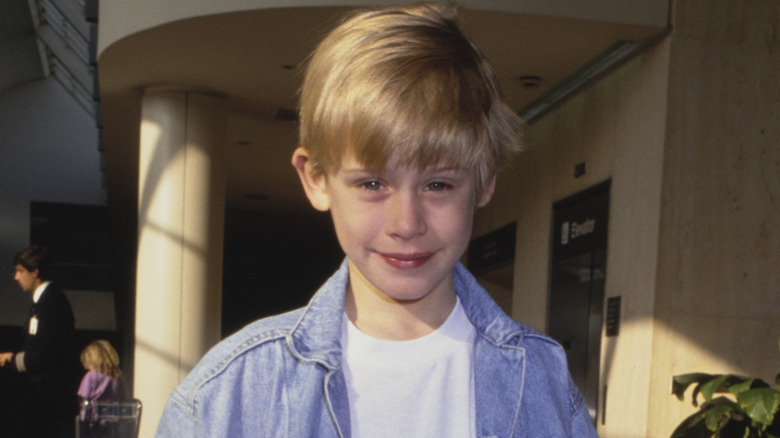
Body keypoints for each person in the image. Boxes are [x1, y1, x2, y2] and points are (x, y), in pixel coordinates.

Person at [156, 2, 598, 437]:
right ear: (316, 179)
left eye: (438, 185)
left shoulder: (543, 380)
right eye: (372, 185)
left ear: (484, 182)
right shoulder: (229, 393)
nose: (406, 223)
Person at [0, 245, 79, 438]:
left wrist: (13, 359)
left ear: (35, 272)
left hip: (44, 402)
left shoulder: (51, 302)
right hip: (39, 400)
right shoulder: (44, 302)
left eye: (20, 271)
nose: (16, 277)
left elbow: (50, 353)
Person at [77, 340, 131, 437]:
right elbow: (125, 400)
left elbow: (83, 398)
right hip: (114, 427)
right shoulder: (117, 378)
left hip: (94, 427)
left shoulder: (91, 376)